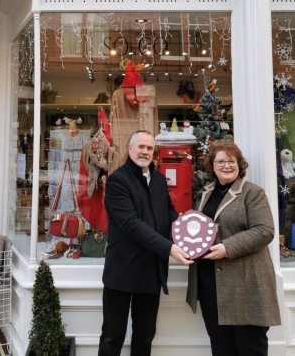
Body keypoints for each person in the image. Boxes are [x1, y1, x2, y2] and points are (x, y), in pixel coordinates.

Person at [98, 130, 193, 356]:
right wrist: (169, 247)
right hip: (122, 271)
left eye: (150, 148)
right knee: (113, 336)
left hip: (151, 271)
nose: (145, 152)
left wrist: (185, 226)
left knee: (145, 335)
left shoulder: (159, 179)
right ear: (130, 148)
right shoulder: (117, 181)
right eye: (141, 146)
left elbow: (167, 211)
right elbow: (131, 224)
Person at [187, 141, 281, 356]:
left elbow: (265, 230)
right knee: (221, 347)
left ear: (240, 165)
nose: (226, 166)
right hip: (210, 281)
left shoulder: (252, 193)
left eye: (231, 161)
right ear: (212, 165)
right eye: (220, 161)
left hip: (245, 284)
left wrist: (227, 247)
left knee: (250, 348)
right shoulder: (205, 193)